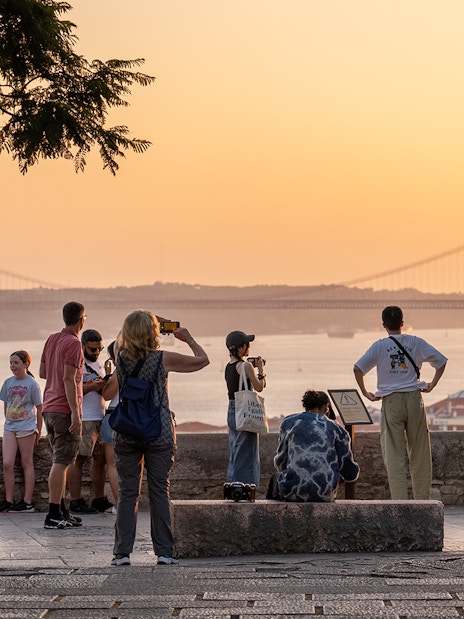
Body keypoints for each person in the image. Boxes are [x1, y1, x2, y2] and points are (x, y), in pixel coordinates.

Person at [111, 310, 209, 567]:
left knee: (128, 492)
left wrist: (145, 317)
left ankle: (121, 554)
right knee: (159, 491)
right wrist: (187, 338)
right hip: (159, 432)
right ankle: (164, 552)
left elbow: (119, 338)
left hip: (127, 431)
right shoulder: (163, 359)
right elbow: (203, 360)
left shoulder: (117, 356)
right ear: (154, 332)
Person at [353, 305, 447, 500]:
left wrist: (366, 393)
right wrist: (431, 385)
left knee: (394, 454)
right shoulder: (416, 342)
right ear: (403, 323)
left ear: (384, 325)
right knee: (420, 452)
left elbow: (357, 369)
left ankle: (400, 502)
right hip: (414, 399)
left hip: (391, 401)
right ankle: (422, 502)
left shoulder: (379, 346)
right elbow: (441, 362)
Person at [40, 301, 86, 529]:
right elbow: (69, 379)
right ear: (82, 320)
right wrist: (76, 414)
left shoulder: (51, 339)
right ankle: (53, 514)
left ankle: (62, 510)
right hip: (63, 409)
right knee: (61, 462)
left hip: (48, 407)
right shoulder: (74, 344)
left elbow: (42, 372)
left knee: (64, 461)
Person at [267, 390, 359, 502]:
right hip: (324, 493)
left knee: (275, 478)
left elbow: (280, 462)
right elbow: (350, 473)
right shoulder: (336, 429)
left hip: (293, 492)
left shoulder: (289, 423)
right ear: (326, 407)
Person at [67, 329, 114, 514]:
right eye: (93, 349)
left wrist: (106, 380)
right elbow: (70, 389)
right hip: (84, 417)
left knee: (100, 460)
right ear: (83, 346)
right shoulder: (77, 364)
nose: (97, 353)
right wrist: (89, 388)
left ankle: (98, 499)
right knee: (78, 460)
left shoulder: (100, 364)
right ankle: (76, 501)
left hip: (100, 417)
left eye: (99, 348)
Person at [0, 351, 43, 512]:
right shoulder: (7, 383)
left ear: (26, 364)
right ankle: (9, 500)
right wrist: (8, 419)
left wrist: (38, 429)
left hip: (26, 427)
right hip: (10, 427)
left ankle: (27, 502)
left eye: (16, 363)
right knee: (7, 463)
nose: (13, 366)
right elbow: (6, 404)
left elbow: (39, 408)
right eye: (11, 363)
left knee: (26, 462)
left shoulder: (32, 384)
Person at [225, 330, 266, 487]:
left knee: (235, 452)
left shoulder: (229, 366)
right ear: (240, 349)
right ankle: (245, 488)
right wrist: (261, 370)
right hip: (244, 409)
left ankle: (231, 486)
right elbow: (259, 387)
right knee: (247, 454)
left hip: (232, 408)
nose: (248, 347)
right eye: (246, 344)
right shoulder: (246, 365)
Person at [100, 340, 119, 514]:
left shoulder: (119, 372)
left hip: (114, 416)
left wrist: (108, 376)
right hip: (135, 418)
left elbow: (107, 395)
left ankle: (119, 504)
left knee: (112, 464)